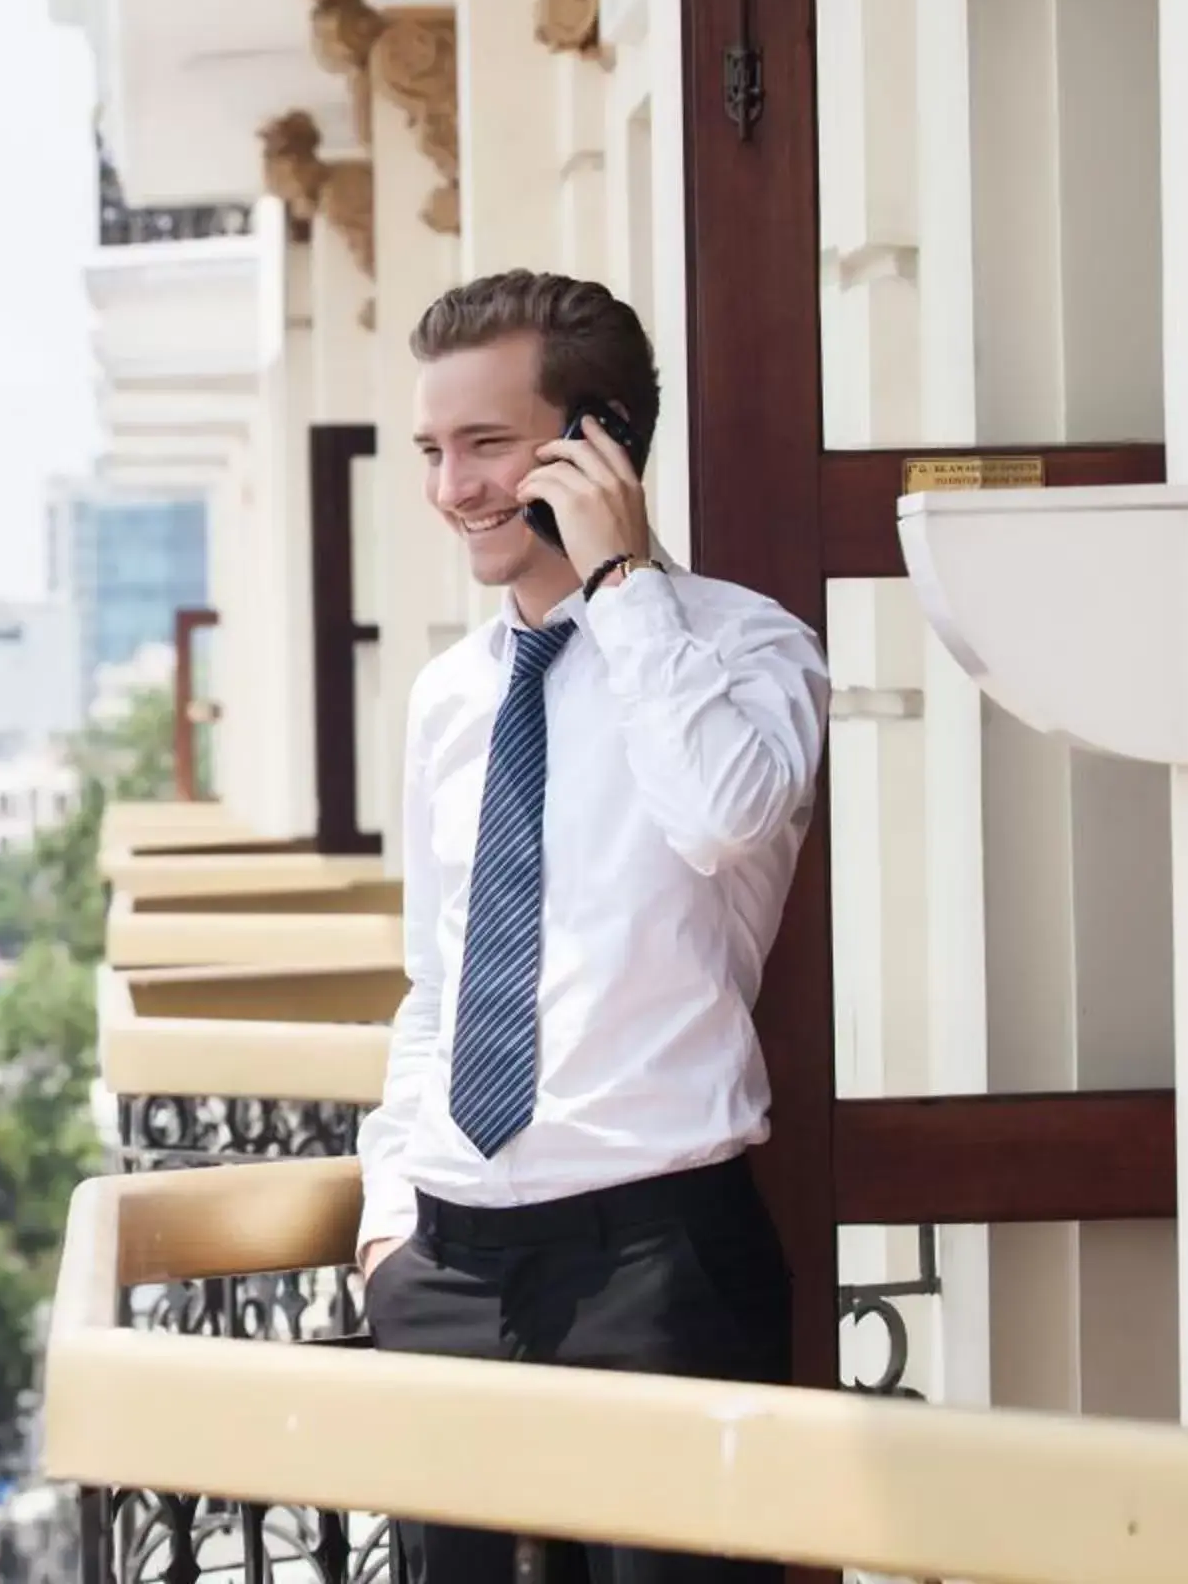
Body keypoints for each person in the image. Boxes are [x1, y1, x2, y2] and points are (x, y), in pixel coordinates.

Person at [358, 272, 825, 1584]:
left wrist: (620, 580)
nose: (453, 488)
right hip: (449, 1258)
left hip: (660, 1261)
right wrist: (391, 1217)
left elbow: (727, 818)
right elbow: (436, 983)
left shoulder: (746, 651)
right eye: (433, 451)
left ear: (598, 441)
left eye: (489, 445)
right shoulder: (451, 696)